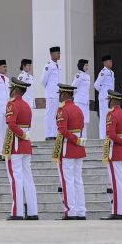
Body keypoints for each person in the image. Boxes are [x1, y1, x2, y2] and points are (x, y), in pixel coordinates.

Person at [3, 78, 37, 220]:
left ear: (15, 90)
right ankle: (32, 212)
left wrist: (21, 135)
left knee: (16, 178)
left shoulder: (12, 104)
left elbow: (11, 124)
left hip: (16, 143)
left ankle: (16, 212)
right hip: (26, 144)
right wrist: (24, 135)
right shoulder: (27, 105)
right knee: (28, 179)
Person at [54, 82, 86, 220]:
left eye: (60, 94)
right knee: (78, 180)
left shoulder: (63, 109)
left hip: (68, 146)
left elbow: (62, 129)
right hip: (78, 146)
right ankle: (80, 210)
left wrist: (74, 139)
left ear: (65, 94)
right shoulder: (78, 109)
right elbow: (81, 126)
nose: (59, 96)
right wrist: (77, 139)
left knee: (67, 181)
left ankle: (70, 210)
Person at [103, 90, 122, 220]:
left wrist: (121, 141)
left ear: (113, 100)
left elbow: (111, 134)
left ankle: (117, 211)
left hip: (115, 150)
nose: (108, 102)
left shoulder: (112, 114)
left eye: (109, 99)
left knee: (117, 182)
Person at [40, 47, 62, 140]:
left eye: (59, 53)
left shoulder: (58, 66)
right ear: (52, 54)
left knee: (55, 114)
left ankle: (54, 133)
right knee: (49, 114)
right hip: (51, 94)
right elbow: (43, 80)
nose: (59, 55)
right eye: (57, 53)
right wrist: (49, 89)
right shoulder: (48, 65)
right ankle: (49, 134)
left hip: (57, 94)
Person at [93, 55, 115, 132]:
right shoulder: (103, 72)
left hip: (110, 98)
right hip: (104, 98)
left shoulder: (111, 72)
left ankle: (108, 134)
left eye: (111, 61)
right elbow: (96, 85)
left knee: (110, 116)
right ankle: (103, 136)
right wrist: (103, 92)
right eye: (110, 61)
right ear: (105, 63)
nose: (111, 63)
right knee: (104, 117)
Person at [72, 60, 91, 128]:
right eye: (85, 65)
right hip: (79, 100)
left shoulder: (88, 76)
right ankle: (79, 137)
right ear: (81, 65)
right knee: (78, 119)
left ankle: (84, 137)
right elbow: (73, 86)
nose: (87, 67)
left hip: (85, 101)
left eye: (87, 65)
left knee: (85, 120)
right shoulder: (78, 75)